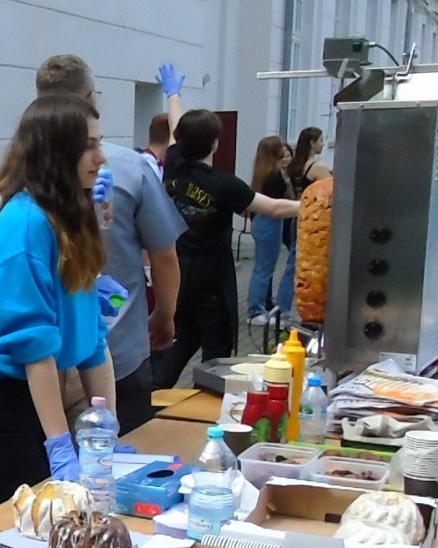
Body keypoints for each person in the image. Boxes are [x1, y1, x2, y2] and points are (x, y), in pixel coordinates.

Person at [0, 94, 116, 509]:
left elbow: (94, 342)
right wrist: (59, 445)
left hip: (34, 393)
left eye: (100, 143)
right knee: (42, 526)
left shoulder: (69, 218)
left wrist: (107, 432)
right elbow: (34, 347)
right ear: (56, 152)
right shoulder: (23, 225)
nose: (101, 158)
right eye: (89, 146)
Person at [27, 55, 184, 434]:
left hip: (77, 358)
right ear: (88, 98)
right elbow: (164, 255)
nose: (100, 159)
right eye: (90, 147)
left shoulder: (24, 178)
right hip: (72, 358)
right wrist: (164, 315)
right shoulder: (128, 168)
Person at [152, 109, 301, 387]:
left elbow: (175, 125)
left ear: (180, 140)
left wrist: (173, 94)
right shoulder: (222, 183)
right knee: (217, 351)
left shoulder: (173, 166)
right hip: (212, 277)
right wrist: (314, 203)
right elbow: (274, 208)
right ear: (215, 143)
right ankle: (202, 401)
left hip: (180, 271)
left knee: (185, 339)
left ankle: (151, 395)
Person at [246, 135, 295, 323]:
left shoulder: (262, 172)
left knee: (263, 267)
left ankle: (261, 306)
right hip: (270, 222)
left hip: (263, 222)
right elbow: (280, 202)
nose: (284, 149)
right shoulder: (274, 175)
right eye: (280, 146)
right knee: (264, 269)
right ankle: (255, 311)